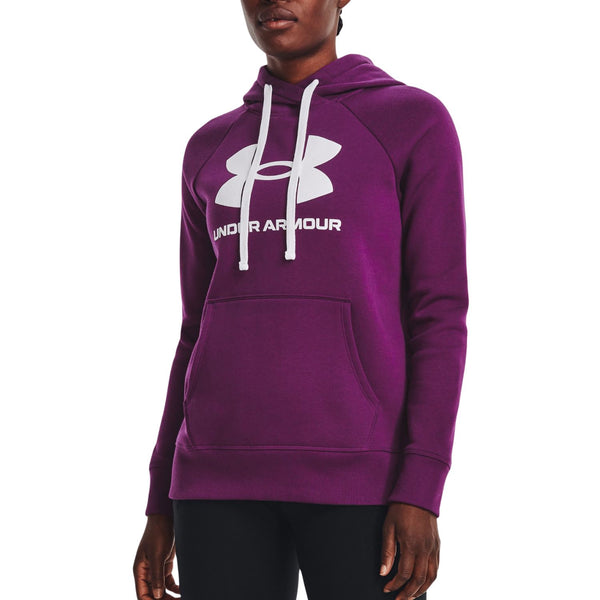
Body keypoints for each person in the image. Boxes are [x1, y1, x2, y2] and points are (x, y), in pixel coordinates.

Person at [133, 1, 469, 599]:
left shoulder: (411, 121)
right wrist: (160, 499)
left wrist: (422, 485)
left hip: (362, 479)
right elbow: (195, 329)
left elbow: (439, 315)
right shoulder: (209, 146)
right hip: (214, 480)